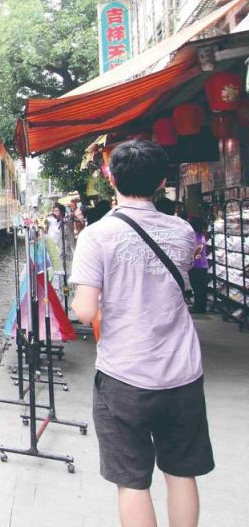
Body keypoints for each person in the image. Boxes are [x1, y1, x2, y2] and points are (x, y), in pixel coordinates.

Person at [70, 140, 213, 527]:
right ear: (162, 181)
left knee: (132, 482)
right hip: (182, 371)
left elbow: (84, 311)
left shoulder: (95, 236)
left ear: (110, 177)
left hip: (125, 375)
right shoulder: (183, 231)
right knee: (182, 472)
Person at [189, 216, 209, 315]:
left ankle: (199, 308)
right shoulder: (201, 235)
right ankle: (201, 306)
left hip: (197, 265)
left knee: (197, 288)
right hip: (203, 265)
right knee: (201, 288)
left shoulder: (195, 236)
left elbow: (198, 250)